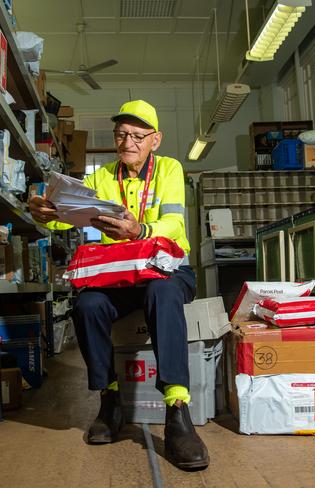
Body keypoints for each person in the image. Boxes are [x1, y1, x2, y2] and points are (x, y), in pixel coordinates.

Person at [29, 100, 209, 470]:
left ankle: (177, 408)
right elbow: (73, 220)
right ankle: (110, 400)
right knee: (88, 305)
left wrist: (139, 230)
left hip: (166, 269)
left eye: (137, 136)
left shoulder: (170, 169)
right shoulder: (101, 177)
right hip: (121, 275)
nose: (128, 142)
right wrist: (49, 214)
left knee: (162, 291)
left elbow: (174, 225)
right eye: (121, 134)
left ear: (155, 140)